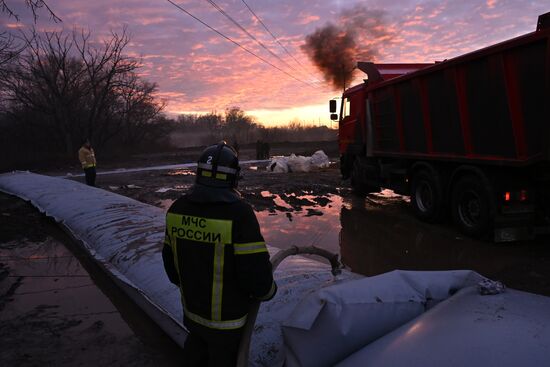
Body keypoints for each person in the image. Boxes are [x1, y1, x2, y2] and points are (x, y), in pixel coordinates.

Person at [162, 141, 277, 367]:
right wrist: (268, 291)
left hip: (192, 316)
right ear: (233, 177)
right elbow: (255, 273)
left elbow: (170, 266)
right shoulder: (239, 214)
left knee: (195, 355)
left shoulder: (177, 209)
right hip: (228, 325)